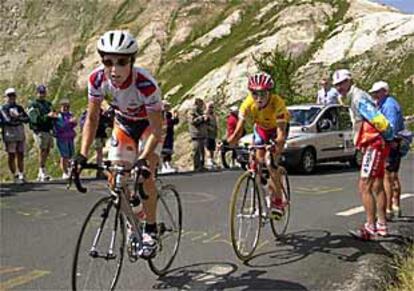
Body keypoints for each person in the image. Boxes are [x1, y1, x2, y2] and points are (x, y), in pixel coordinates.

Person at [73, 30, 163, 259]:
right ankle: (135, 220)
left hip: (147, 129)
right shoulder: (96, 79)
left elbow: (156, 128)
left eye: (121, 62)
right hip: (123, 125)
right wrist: (82, 154)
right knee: (115, 180)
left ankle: (151, 229)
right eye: (108, 62)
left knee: (145, 176)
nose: (114, 69)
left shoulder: (146, 84)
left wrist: (144, 158)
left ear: (132, 62)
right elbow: (92, 119)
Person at [333, 69, 393, 239]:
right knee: (377, 185)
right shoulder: (355, 96)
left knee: (365, 185)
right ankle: (381, 225)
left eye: (342, 83)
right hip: (376, 144)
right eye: (337, 85)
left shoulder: (358, 98)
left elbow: (377, 120)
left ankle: (370, 227)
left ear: (350, 81)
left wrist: (389, 135)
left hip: (372, 143)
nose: (340, 87)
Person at [228, 72, 290, 219]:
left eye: (263, 94)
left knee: (270, 162)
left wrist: (275, 144)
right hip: (261, 129)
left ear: (269, 92)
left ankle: (278, 201)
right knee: (256, 162)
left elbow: (281, 134)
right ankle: (264, 189)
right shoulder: (247, 104)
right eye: (255, 94)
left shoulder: (277, 103)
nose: (259, 98)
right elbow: (238, 130)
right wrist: (229, 142)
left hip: (277, 129)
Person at [369, 81, 405, 218]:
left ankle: (388, 208)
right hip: (395, 141)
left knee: (387, 176)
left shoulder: (388, 105)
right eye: (374, 93)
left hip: (390, 142)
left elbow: (391, 126)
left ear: (385, 91)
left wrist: (388, 141)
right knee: (393, 175)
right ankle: (396, 205)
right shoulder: (387, 103)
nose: (375, 95)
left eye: (377, 92)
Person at [27, 84, 56, 181]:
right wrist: (47, 116)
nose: (42, 94)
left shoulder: (48, 104)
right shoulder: (33, 105)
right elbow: (35, 119)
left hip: (48, 129)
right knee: (41, 150)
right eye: (40, 92)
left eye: (43, 92)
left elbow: (53, 112)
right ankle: (41, 170)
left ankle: (43, 168)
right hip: (39, 130)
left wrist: (54, 116)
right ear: (37, 93)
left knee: (47, 150)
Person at [0, 88, 29, 183]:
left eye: (13, 95)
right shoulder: (3, 108)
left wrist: (18, 118)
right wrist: (18, 118)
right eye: (9, 96)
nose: (11, 97)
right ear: (6, 97)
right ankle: (14, 175)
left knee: (20, 153)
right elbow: (7, 120)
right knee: (11, 154)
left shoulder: (19, 107)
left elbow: (27, 119)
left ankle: (21, 173)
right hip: (9, 134)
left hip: (19, 133)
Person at [79, 105, 114, 178]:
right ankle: (99, 170)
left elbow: (108, 122)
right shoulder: (95, 112)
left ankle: (99, 170)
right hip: (96, 135)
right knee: (99, 152)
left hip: (99, 135)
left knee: (99, 152)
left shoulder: (100, 113)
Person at [54, 98, 77, 179]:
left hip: (70, 137)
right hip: (62, 138)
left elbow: (73, 125)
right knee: (64, 156)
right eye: (63, 106)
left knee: (71, 155)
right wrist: (69, 122)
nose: (65, 108)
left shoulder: (70, 115)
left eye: (67, 106)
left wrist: (74, 122)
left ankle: (70, 171)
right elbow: (61, 126)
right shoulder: (58, 116)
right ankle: (64, 172)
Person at [188, 98, 208, 171]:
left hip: (202, 135)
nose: (202, 106)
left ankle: (202, 165)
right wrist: (201, 118)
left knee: (202, 151)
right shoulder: (192, 112)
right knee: (196, 151)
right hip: (196, 135)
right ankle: (196, 166)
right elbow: (193, 121)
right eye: (201, 104)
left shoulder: (200, 112)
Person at [160, 100, 179, 173]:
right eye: (166, 106)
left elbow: (173, 122)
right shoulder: (160, 114)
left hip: (169, 134)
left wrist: (176, 117)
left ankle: (168, 164)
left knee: (168, 149)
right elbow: (166, 122)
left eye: (168, 106)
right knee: (163, 150)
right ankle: (163, 165)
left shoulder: (169, 114)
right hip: (163, 134)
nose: (167, 108)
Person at [205, 101, 219, 169]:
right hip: (207, 134)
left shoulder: (213, 115)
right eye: (210, 107)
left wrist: (216, 131)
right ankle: (208, 160)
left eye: (212, 107)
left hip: (213, 134)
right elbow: (205, 125)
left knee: (212, 148)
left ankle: (212, 159)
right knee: (208, 147)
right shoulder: (206, 115)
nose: (211, 108)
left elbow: (215, 124)